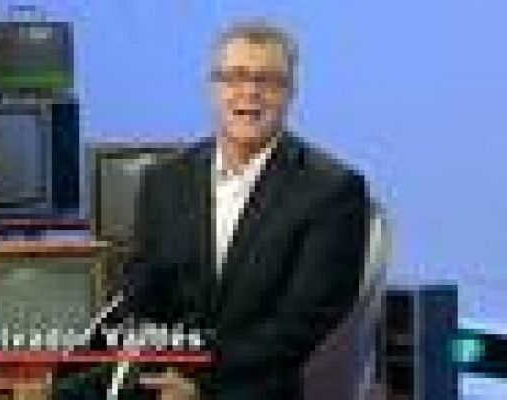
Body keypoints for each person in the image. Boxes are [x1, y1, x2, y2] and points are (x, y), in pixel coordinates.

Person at [113, 20, 371, 400]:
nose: (250, 92)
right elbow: (140, 298)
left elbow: (300, 325)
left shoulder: (333, 190)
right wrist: (155, 374)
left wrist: (204, 385)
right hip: (163, 382)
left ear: (290, 93)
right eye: (234, 77)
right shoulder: (164, 181)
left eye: (268, 80)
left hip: (260, 389)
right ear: (212, 88)